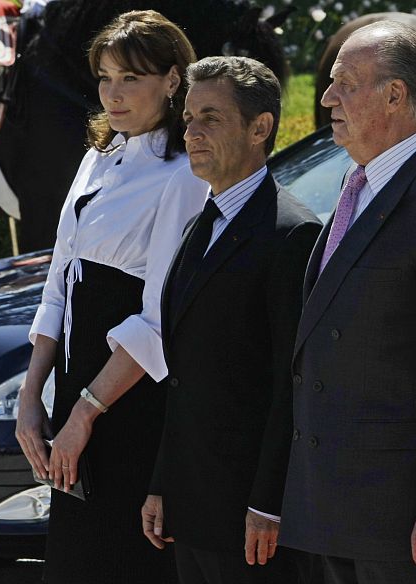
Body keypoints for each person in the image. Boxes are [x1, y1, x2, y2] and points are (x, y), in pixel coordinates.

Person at [279, 20, 416, 584]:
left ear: (395, 95)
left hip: (408, 524)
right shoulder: (358, 187)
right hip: (342, 511)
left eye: (344, 84)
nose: (327, 98)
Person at [15, 10, 203, 584]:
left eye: (131, 78)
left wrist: (86, 414)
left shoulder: (183, 173)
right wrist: (31, 395)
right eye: (104, 78)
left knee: (120, 562)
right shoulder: (98, 154)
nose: (113, 94)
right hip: (75, 394)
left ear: (173, 81)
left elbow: (160, 319)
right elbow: (60, 279)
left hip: (131, 406)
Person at [140, 56, 321, 584]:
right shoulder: (200, 222)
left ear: (260, 128)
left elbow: (291, 387)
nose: (192, 133)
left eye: (211, 119)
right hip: (191, 507)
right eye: (189, 118)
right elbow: (183, 375)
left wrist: (268, 503)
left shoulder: (292, 233)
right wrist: (163, 482)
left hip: (249, 519)